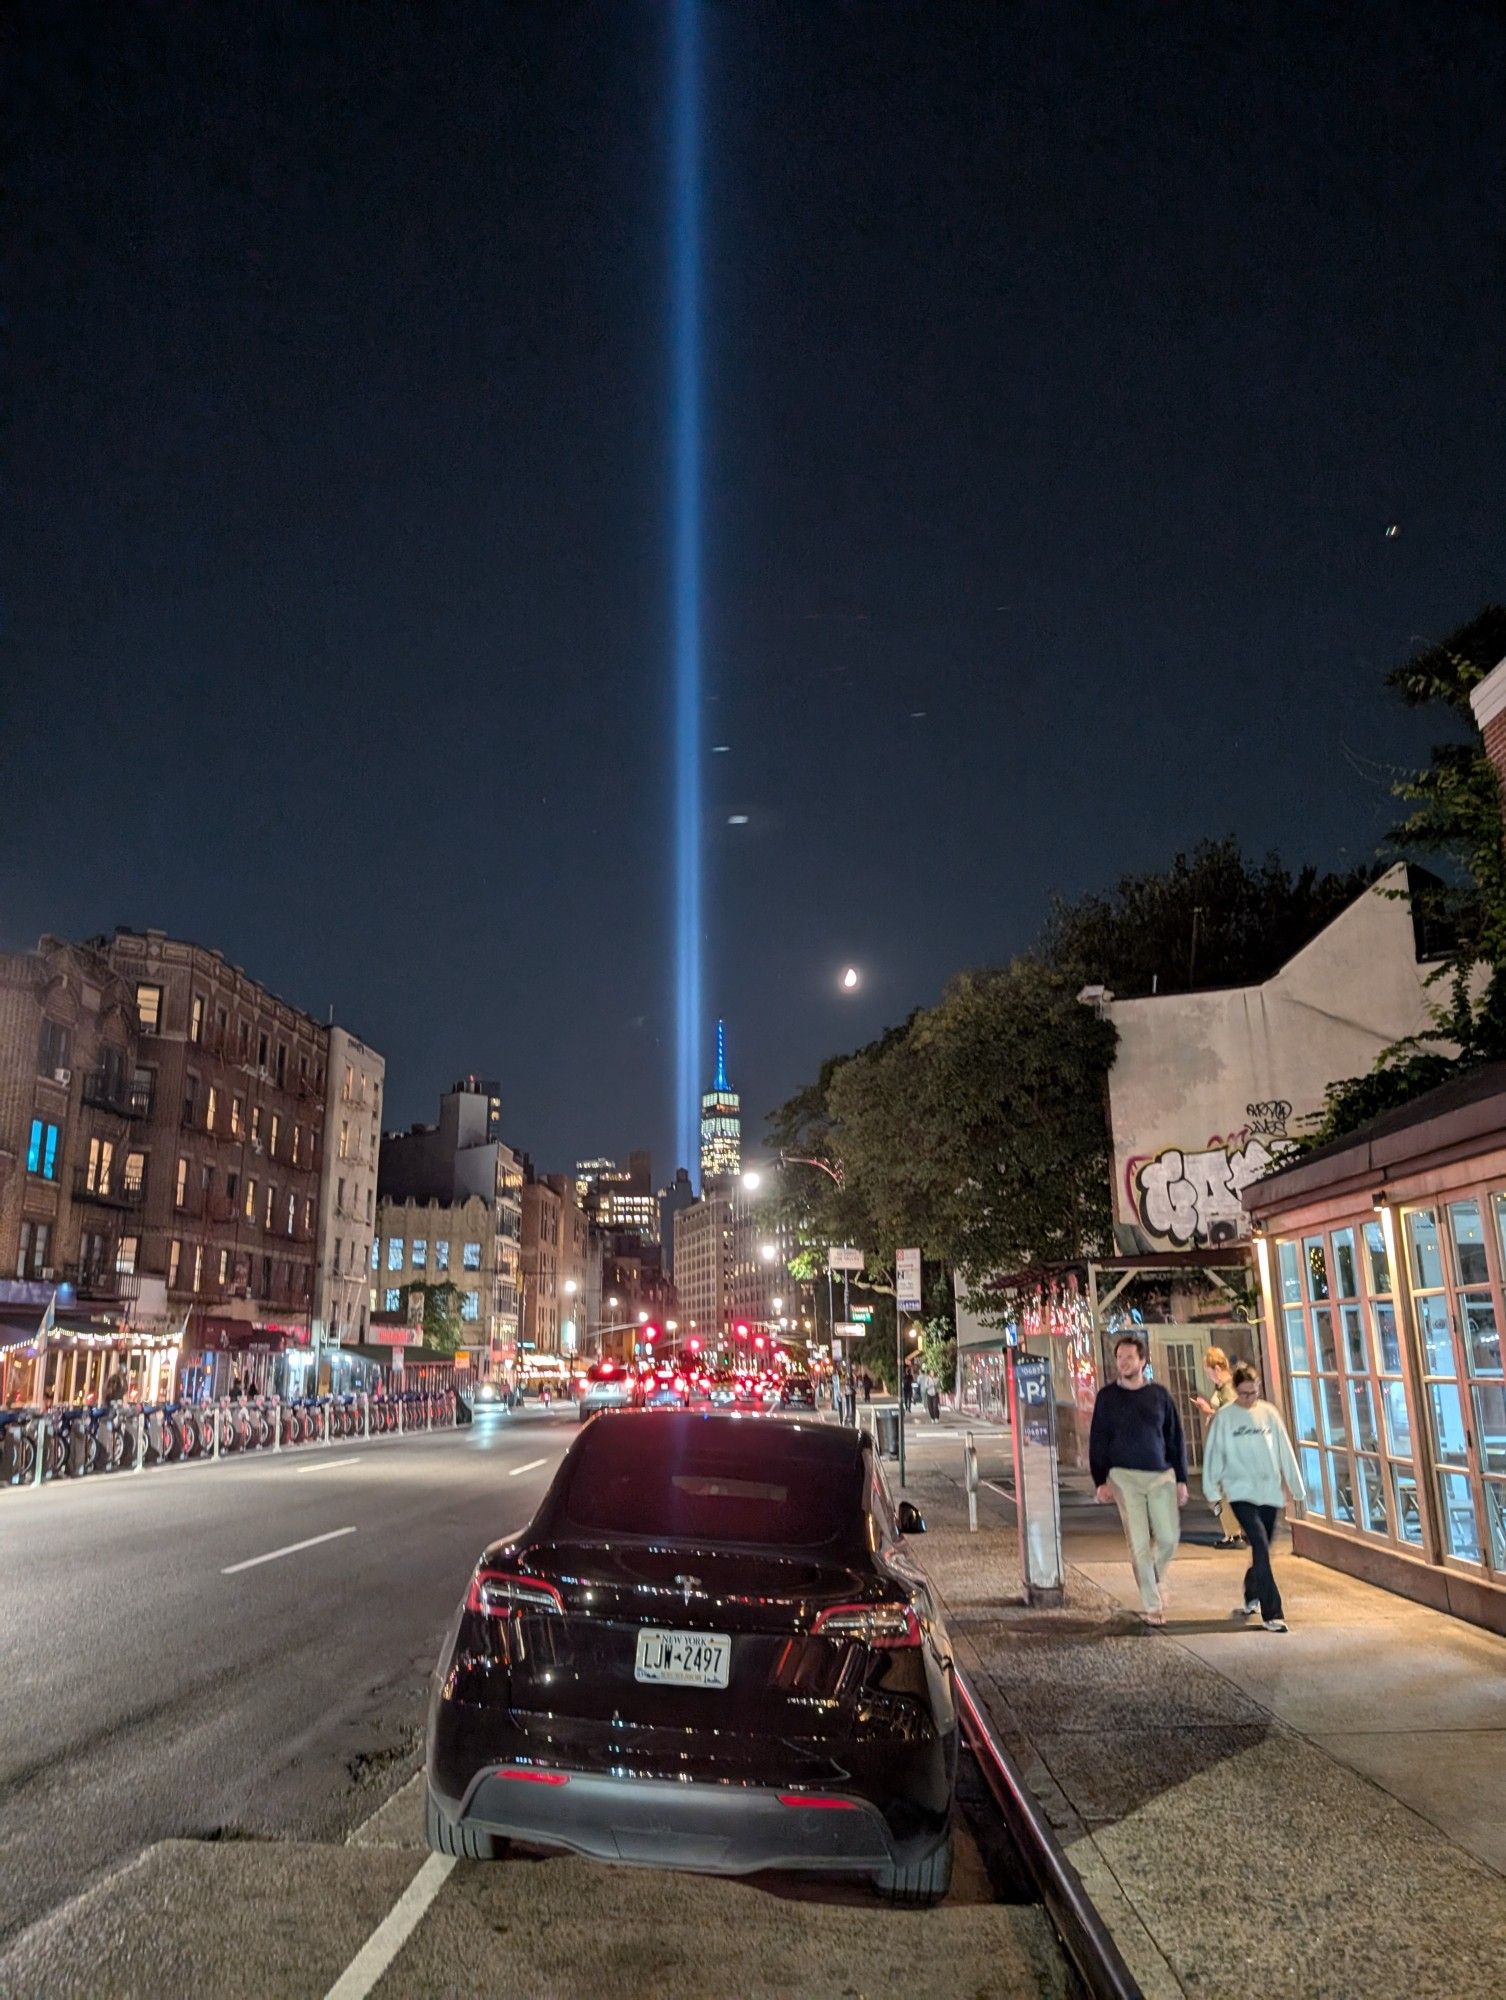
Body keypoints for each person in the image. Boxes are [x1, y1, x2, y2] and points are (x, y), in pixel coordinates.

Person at [1089, 1332, 1188, 1626]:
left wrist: (1181, 1478)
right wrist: (1100, 1480)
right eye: (1119, 1358)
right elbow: (1098, 1440)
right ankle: (1152, 1605)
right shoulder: (1107, 1397)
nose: (1123, 1363)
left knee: (1169, 1538)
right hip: (1123, 1477)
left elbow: (1175, 1438)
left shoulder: (1159, 1396)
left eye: (1130, 1357)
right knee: (1140, 1544)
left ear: (1143, 1361)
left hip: (1160, 1476)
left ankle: (1154, 1576)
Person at [1202, 1364, 1306, 1633]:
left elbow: (1284, 1449)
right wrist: (1212, 1493)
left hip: (1269, 1492)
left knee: (1263, 1549)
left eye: (1254, 1392)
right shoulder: (1225, 1418)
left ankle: (1251, 1591)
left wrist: (1297, 1488)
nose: (1250, 1398)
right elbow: (1213, 1456)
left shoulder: (1268, 1413)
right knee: (1259, 1542)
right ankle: (1273, 1612)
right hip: (1240, 1492)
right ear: (1236, 1390)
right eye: (1245, 1393)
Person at [1192, 1346, 1246, 1548]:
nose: (1208, 1376)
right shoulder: (1223, 1387)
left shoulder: (1228, 1388)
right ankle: (1237, 1531)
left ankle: (1233, 1534)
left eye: (1208, 1371)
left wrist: (1209, 1411)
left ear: (1216, 1368)